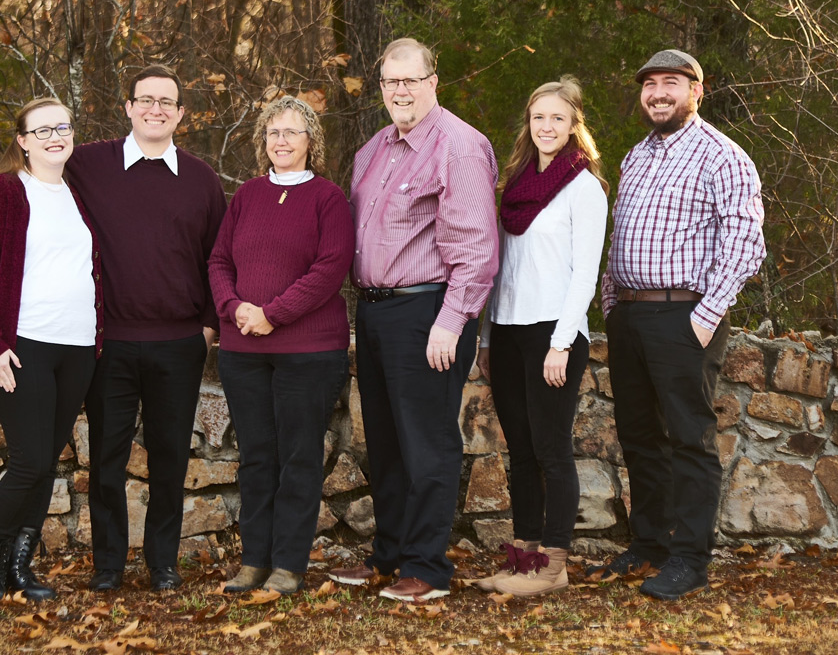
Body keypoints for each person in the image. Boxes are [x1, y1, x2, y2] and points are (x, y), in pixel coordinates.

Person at [0, 65, 227, 592]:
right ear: (127, 107)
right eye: (145, 99)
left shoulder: (201, 179)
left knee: (170, 460)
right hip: (110, 345)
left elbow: (218, 257)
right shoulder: (90, 163)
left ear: (180, 113)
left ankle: (162, 564)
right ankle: (107, 566)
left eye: (167, 102)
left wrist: (207, 327)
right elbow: (24, 168)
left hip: (174, 344)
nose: (155, 109)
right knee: (104, 460)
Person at [589, 49, 765, 600]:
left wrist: (705, 317)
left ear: (696, 90)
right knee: (639, 435)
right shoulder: (636, 155)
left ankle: (689, 559)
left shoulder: (723, 156)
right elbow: (620, 235)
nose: (658, 93)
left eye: (672, 83)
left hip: (685, 316)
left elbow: (745, 242)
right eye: (650, 85)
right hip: (631, 315)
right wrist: (611, 302)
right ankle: (649, 545)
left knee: (689, 438)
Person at [328, 38, 499, 602]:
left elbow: (475, 247)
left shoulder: (459, 146)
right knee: (386, 444)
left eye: (410, 80)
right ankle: (389, 557)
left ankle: (425, 569)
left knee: (426, 444)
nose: (399, 91)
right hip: (375, 312)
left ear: (433, 82)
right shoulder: (375, 148)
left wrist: (451, 321)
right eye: (390, 82)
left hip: (428, 312)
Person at [208, 96, 354, 596]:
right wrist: (234, 308)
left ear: (311, 141)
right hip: (242, 350)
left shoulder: (328, 199)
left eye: (293, 132)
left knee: (298, 456)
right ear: (262, 142)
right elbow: (219, 262)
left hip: (308, 352)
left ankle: (288, 564)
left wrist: (274, 314)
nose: (282, 141)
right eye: (273, 132)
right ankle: (254, 560)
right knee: (255, 456)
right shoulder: (246, 196)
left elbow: (331, 268)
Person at [0, 98, 102, 602]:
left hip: (78, 348)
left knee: (46, 461)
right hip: (22, 347)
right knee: (29, 460)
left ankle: (22, 565)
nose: (54, 137)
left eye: (62, 126)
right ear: (22, 141)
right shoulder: (3, 192)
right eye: (41, 131)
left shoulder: (80, 187)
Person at [473, 77, 608, 597]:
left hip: (554, 332)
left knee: (551, 450)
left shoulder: (584, 187)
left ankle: (554, 567)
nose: (546, 127)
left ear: (574, 124)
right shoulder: (516, 184)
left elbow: (585, 273)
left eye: (557, 118)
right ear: (528, 125)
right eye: (538, 118)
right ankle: (523, 562)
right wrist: (486, 336)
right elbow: (502, 267)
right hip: (506, 330)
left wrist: (561, 340)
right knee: (521, 451)